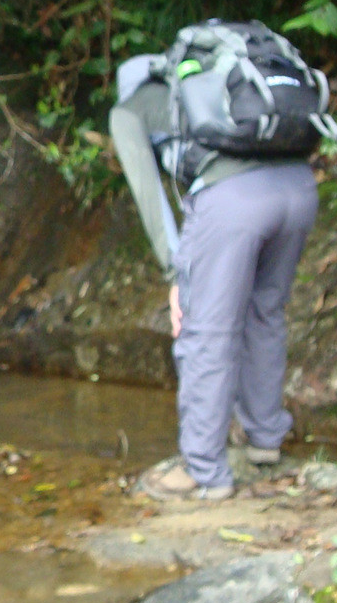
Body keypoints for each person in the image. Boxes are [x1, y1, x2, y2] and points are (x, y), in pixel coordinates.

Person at [110, 52, 320, 500]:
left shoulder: (128, 112)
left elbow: (150, 193)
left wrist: (175, 271)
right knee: (265, 312)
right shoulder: (220, 87)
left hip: (236, 201)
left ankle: (204, 471)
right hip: (299, 188)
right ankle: (264, 440)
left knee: (207, 329)